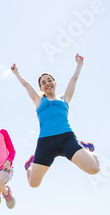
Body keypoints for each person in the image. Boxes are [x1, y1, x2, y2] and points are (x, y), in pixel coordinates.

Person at [11, 53, 100, 188]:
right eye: (43, 83)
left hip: (66, 139)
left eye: (49, 80)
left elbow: (74, 79)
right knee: (33, 184)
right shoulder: (38, 100)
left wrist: (79, 65)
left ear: (55, 82)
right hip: (45, 142)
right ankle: (31, 165)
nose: (47, 83)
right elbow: (26, 85)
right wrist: (17, 73)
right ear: (41, 88)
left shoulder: (65, 98)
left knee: (95, 169)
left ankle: (84, 148)